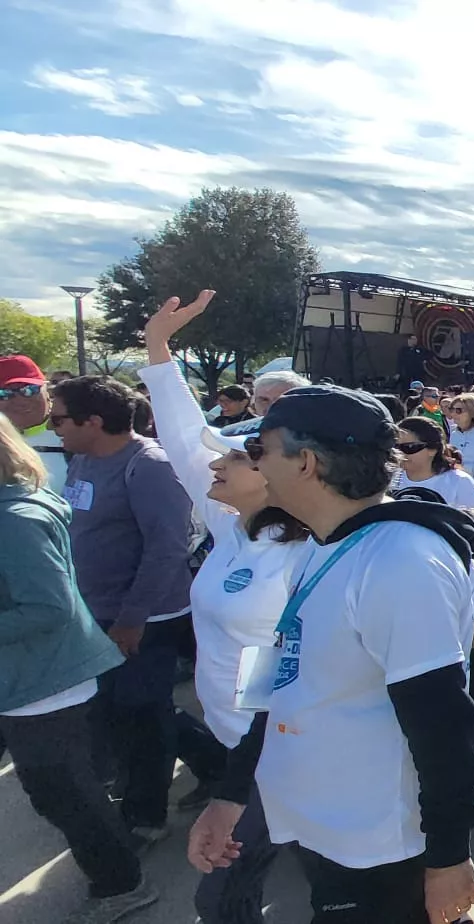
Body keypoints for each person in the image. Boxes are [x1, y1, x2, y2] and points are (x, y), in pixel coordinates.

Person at [187, 385, 474, 924]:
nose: (251, 466)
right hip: (321, 825)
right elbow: (279, 682)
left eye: (259, 453)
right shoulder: (323, 545)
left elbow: (443, 722)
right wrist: (230, 793)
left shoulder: (400, 560)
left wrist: (448, 856)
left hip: (380, 840)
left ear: (306, 462)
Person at [140, 292, 318, 923]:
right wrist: (159, 350)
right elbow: (190, 440)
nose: (218, 460)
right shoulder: (231, 526)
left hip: (275, 747)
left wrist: (244, 778)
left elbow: (293, 667)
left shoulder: (307, 556)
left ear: (283, 475)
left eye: (241, 455)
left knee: (221, 896)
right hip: (231, 736)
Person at [0, 415, 158, 922]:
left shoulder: (15, 520)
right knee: (58, 790)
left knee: (64, 793)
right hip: (26, 677)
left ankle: (122, 883)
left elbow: (48, 607)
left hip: (42, 683)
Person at [47, 373, 194, 845]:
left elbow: (166, 548)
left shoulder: (148, 465)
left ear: (94, 420)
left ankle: (145, 816)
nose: (54, 428)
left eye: (60, 418)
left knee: (141, 715)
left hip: (145, 619)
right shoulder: (84, 460)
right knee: (123, 709)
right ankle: (215, 765)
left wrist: (132, 619)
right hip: (96, 613)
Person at [3, 354, 68, 489]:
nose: (20, 401)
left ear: (47, 390)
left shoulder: (79, 433)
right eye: (3, 393)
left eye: (29, 390)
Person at [389, 416, 474, 512]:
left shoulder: (459, 481)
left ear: (433, 449)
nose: (400, 453)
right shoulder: (389, 479)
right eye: (395, 447)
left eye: (409, 447)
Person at [444, 393, 474, 480]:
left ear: (473, 412)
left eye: (459, 410)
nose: (453, 414)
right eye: (451, 409)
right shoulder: (454, 434)